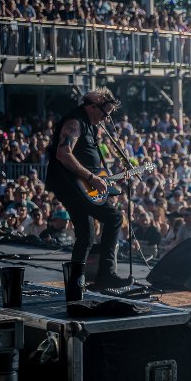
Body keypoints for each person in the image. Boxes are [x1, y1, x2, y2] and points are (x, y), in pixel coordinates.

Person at [44, 87, 132, 288]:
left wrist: (108, 178)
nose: (105, 119)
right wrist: (91, 177)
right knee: (115, 217)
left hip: (82, 185)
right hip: (70, 183)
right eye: (105, 113)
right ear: (94, 106)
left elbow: (90, 161)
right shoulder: (75, 121)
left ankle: (75, 281)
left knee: (86, 235)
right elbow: (63, 154)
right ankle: (106, 274)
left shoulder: (92, 126)